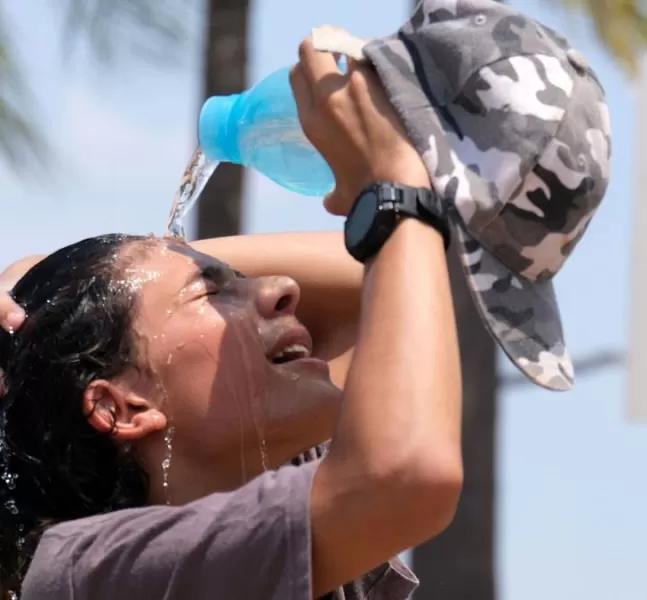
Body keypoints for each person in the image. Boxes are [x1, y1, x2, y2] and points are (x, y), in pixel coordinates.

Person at [0, 37, 461, 600]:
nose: (284, 288)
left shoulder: (275, 482)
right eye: (212, 292)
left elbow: (394, 277)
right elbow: (406, 474)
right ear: (121, 406)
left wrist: (82, 265)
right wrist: (396, 187)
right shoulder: (88, 574)